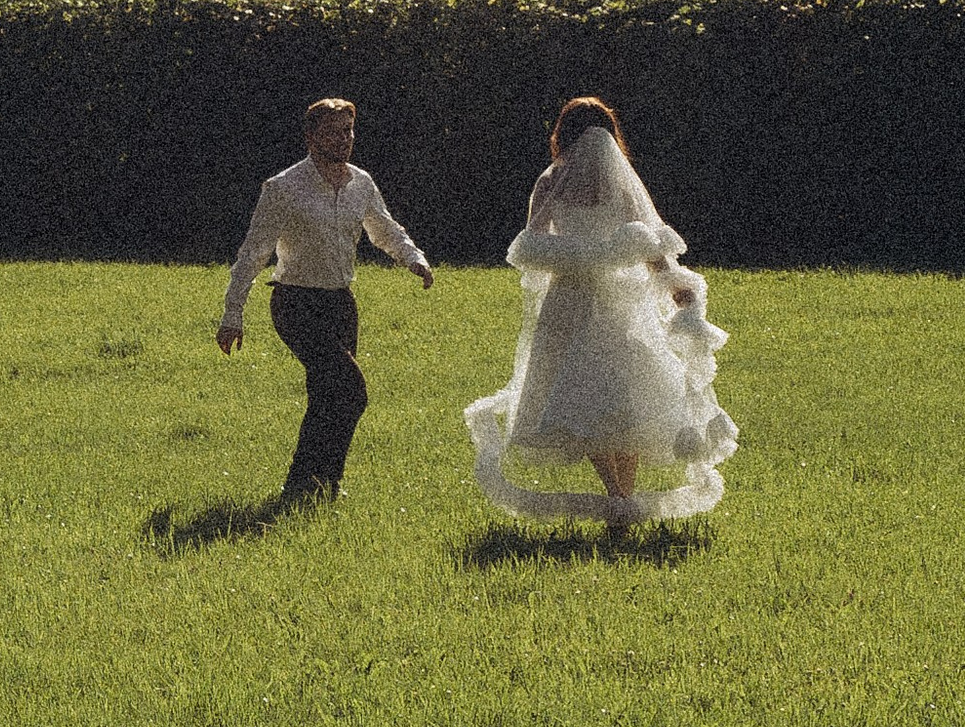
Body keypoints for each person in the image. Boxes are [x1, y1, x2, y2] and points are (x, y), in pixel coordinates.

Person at [464, 95, 737, 525]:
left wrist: (577, 255)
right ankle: (621, 497)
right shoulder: (617, 183)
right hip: (616, 299)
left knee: (579, 398)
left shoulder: (550, 182)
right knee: (621, 397)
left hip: (570, 299)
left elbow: (529, 245)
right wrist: (672, 285)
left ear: (562, 135)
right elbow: (650, 245)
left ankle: (617, 495)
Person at [218, 96, 432, 504]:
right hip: (295, 304)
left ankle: (321, 488)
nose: (344, 139)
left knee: (328, 399)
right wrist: (233, 313)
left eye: (349, 131)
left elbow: (384, 228)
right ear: (311, 137)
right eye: (333, 132)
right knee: (351, 390)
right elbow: (253, 252)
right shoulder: (283, 188)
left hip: (340, 305)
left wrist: (413, 258)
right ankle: (304, 485)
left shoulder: (361, 184)